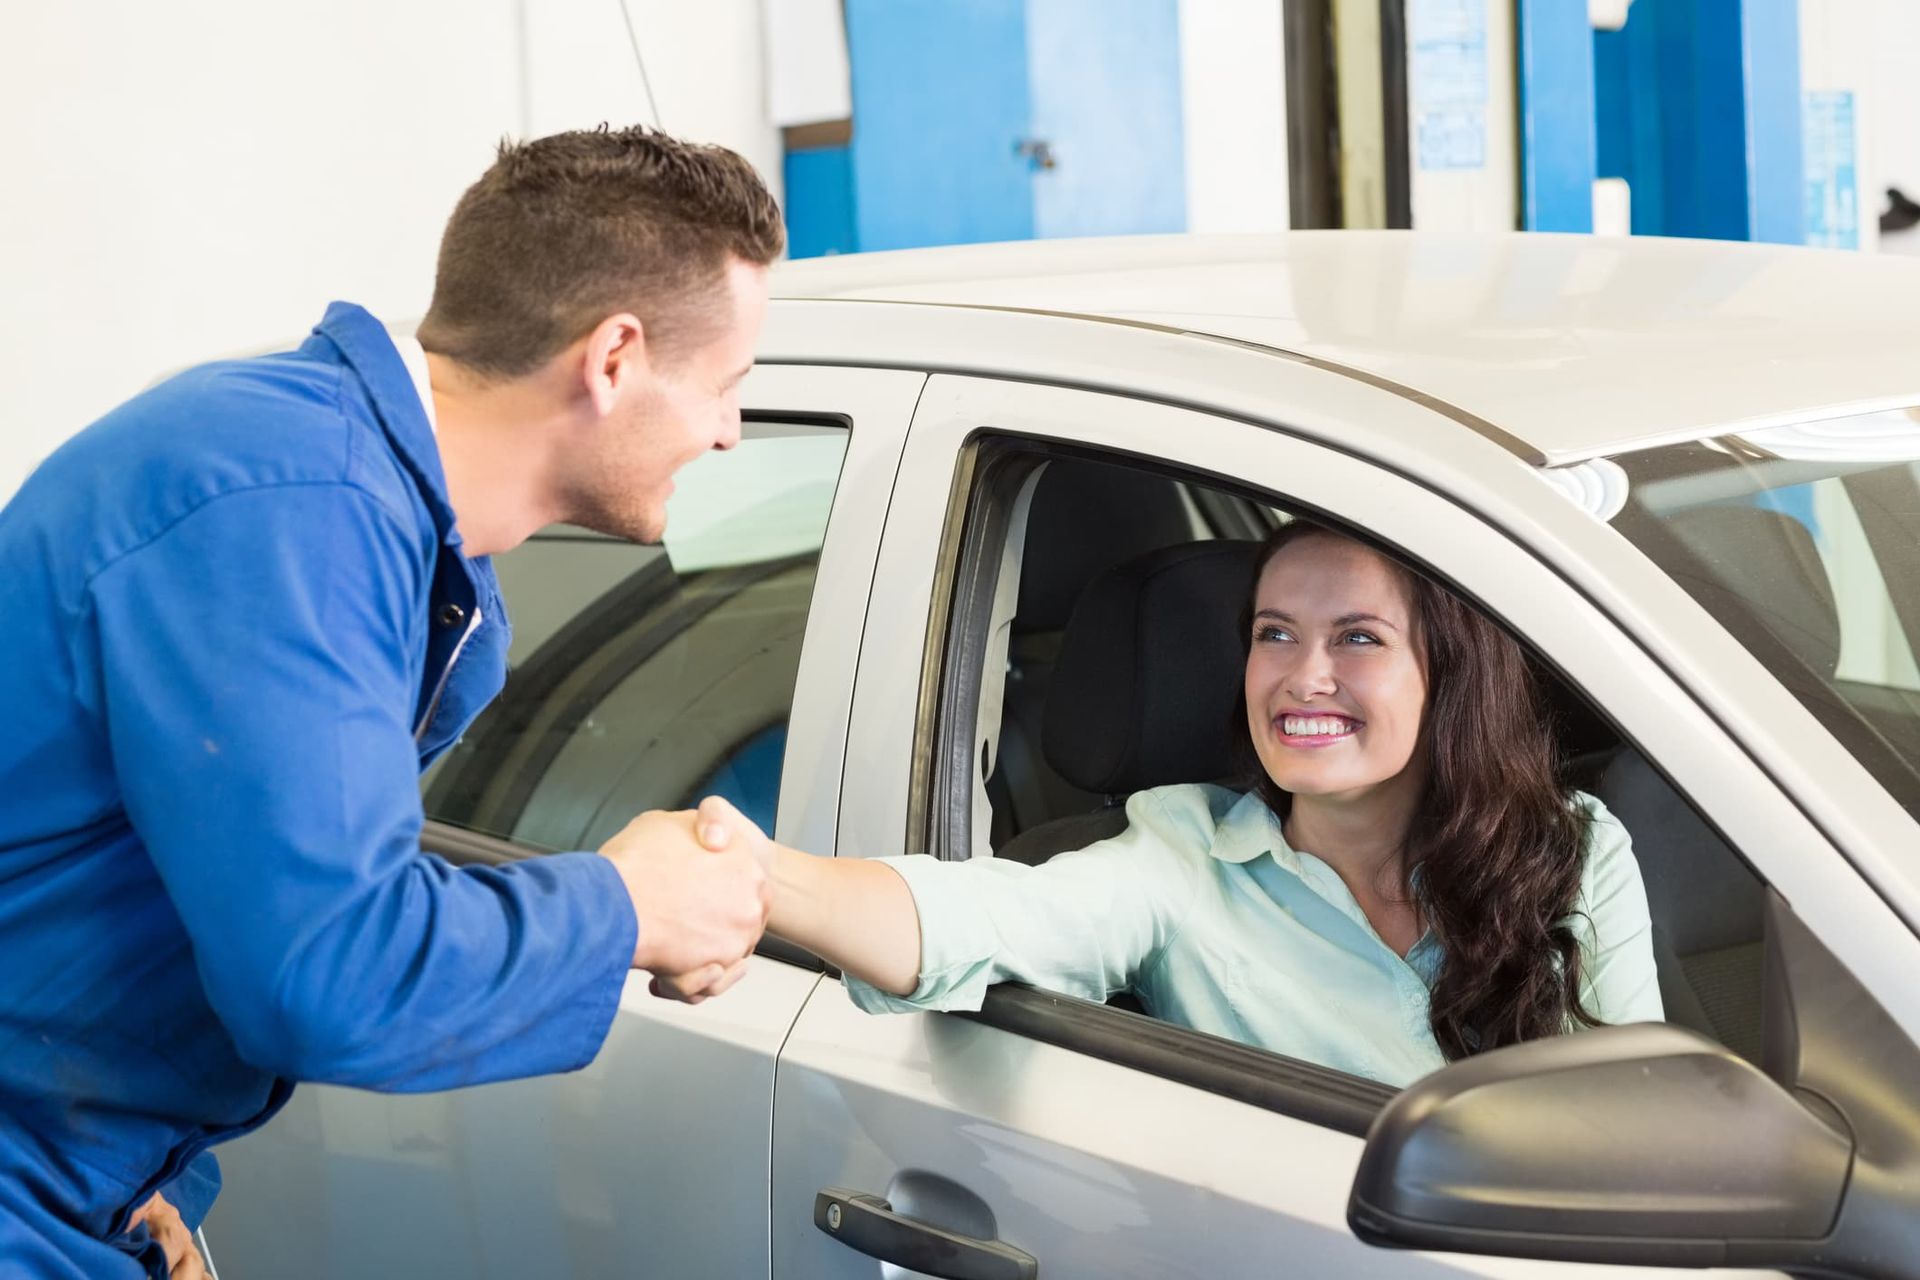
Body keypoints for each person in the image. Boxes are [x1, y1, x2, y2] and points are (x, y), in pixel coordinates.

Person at [0, 126, 782, 1279]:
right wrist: (628, 906)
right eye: (724, 387)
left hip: (69, 1181)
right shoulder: (292, 510)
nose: (728, 429)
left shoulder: (338, 493)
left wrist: (132, 1186)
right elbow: (329, 972)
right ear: (612, 358)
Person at [698, 520, 1663, 1087]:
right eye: (1274, 634)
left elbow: (1645, 1116)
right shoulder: (1182, 859)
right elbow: (974, 916)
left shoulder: (1571, 845)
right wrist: (754, 876)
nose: (1303, 678)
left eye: (1358, 639)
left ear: (1449, 675)